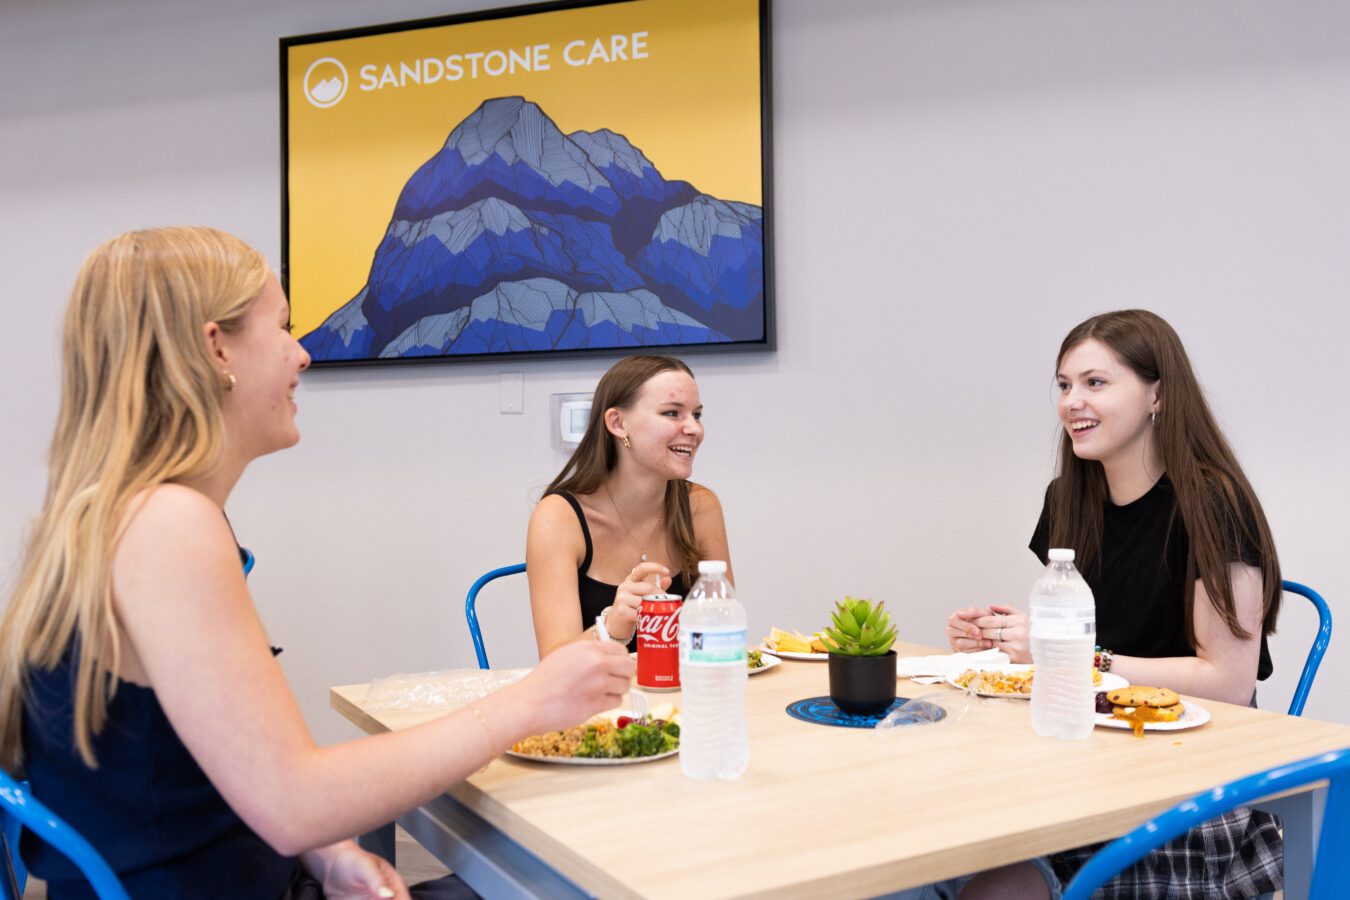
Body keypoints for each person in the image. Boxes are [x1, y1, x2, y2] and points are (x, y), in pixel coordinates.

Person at [0, 227, 635, 898]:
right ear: (217, 350)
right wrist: (529, 702)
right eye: (283, 327)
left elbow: (240, 771)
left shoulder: (125, 515)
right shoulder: (167, 525)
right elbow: (294, 800)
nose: (302, 354)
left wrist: (327, 854)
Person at [944, 309, 1282, 898]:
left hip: (1192, 777)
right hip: (1091, 756)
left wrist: (1070, 655)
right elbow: (1087, 645)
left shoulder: (1212, 501)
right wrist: (1007, 641)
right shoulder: (1070, 496)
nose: (1073, 401)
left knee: (986, 885)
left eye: (1096, 383)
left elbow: (1228, 681)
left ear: (1158, 394)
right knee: (929, 853)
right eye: (1065, 385)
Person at [526, 355, 732, 656]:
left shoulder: (700, 506)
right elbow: (554, 662)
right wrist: (612, 628)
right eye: (672, 413)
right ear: (618, 423)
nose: (694, 429)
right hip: (598, 700)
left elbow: (724, 633)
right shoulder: (558, 518)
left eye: (696, 415)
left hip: (684, 697)